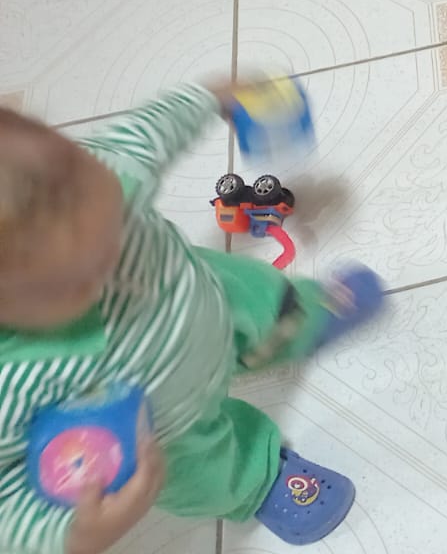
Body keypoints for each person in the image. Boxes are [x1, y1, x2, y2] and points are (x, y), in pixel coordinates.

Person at [0, 86, 384, 552]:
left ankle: (305, 321)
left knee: (271, 301)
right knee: (203, 471)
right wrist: (74, 535)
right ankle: (259, 480)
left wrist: (212, 98)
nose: (115, 261)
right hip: (166, 427)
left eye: (116, 222)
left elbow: (146, 132)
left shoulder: (84, 170)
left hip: (214, 296)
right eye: (81, 279)